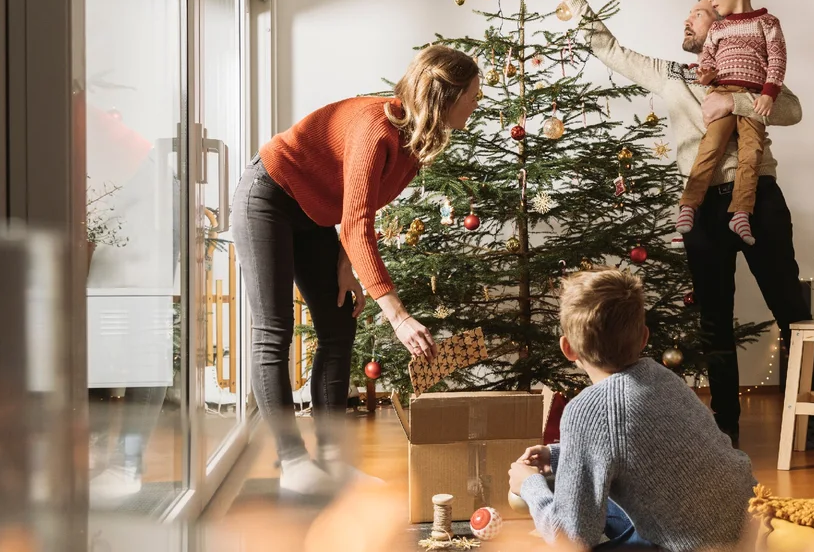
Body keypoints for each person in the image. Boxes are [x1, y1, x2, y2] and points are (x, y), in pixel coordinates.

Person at [543, 0, 814, 450]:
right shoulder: (671, 73)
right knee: (715, 319)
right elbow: (611, 49)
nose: (688, 22)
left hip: (759, 196)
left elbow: (792, 109)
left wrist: (734, 99)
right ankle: (726, 428)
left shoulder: (758, 78)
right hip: (701, 208)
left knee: (790, 309)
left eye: (698, 15)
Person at [231, 45, 480, 499]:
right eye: (474, 95)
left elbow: (358, 209)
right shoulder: (376, 126)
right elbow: (359, 221)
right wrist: (399, 316)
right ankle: (291, 463)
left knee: (339, 323)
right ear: (449, 95)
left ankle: (332, 462)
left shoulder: (417, 142)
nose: (478, 104)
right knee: (273, 330)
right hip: (268, 197)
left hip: (314, 218)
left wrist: (346, 266)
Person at [508, 268, 756, 551]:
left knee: (559, 512)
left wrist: (528, 486)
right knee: (573, 485)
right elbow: (644, 445)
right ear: (644, 338)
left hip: (701, 546)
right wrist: (558, 453)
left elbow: (573, 538)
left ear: (568, 348)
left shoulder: (586, 409)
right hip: (751, 525)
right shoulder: (663, 378)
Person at [679, 0, 786, 246]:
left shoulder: (767, 23)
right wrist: (706, 75)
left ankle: (741, 212)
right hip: (722, 90)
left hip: (751, 95)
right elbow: (709, 58)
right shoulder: (717, 30)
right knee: (710, 145)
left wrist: (767, 94)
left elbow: (776, 59)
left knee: (751, 152)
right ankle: (689, 203)